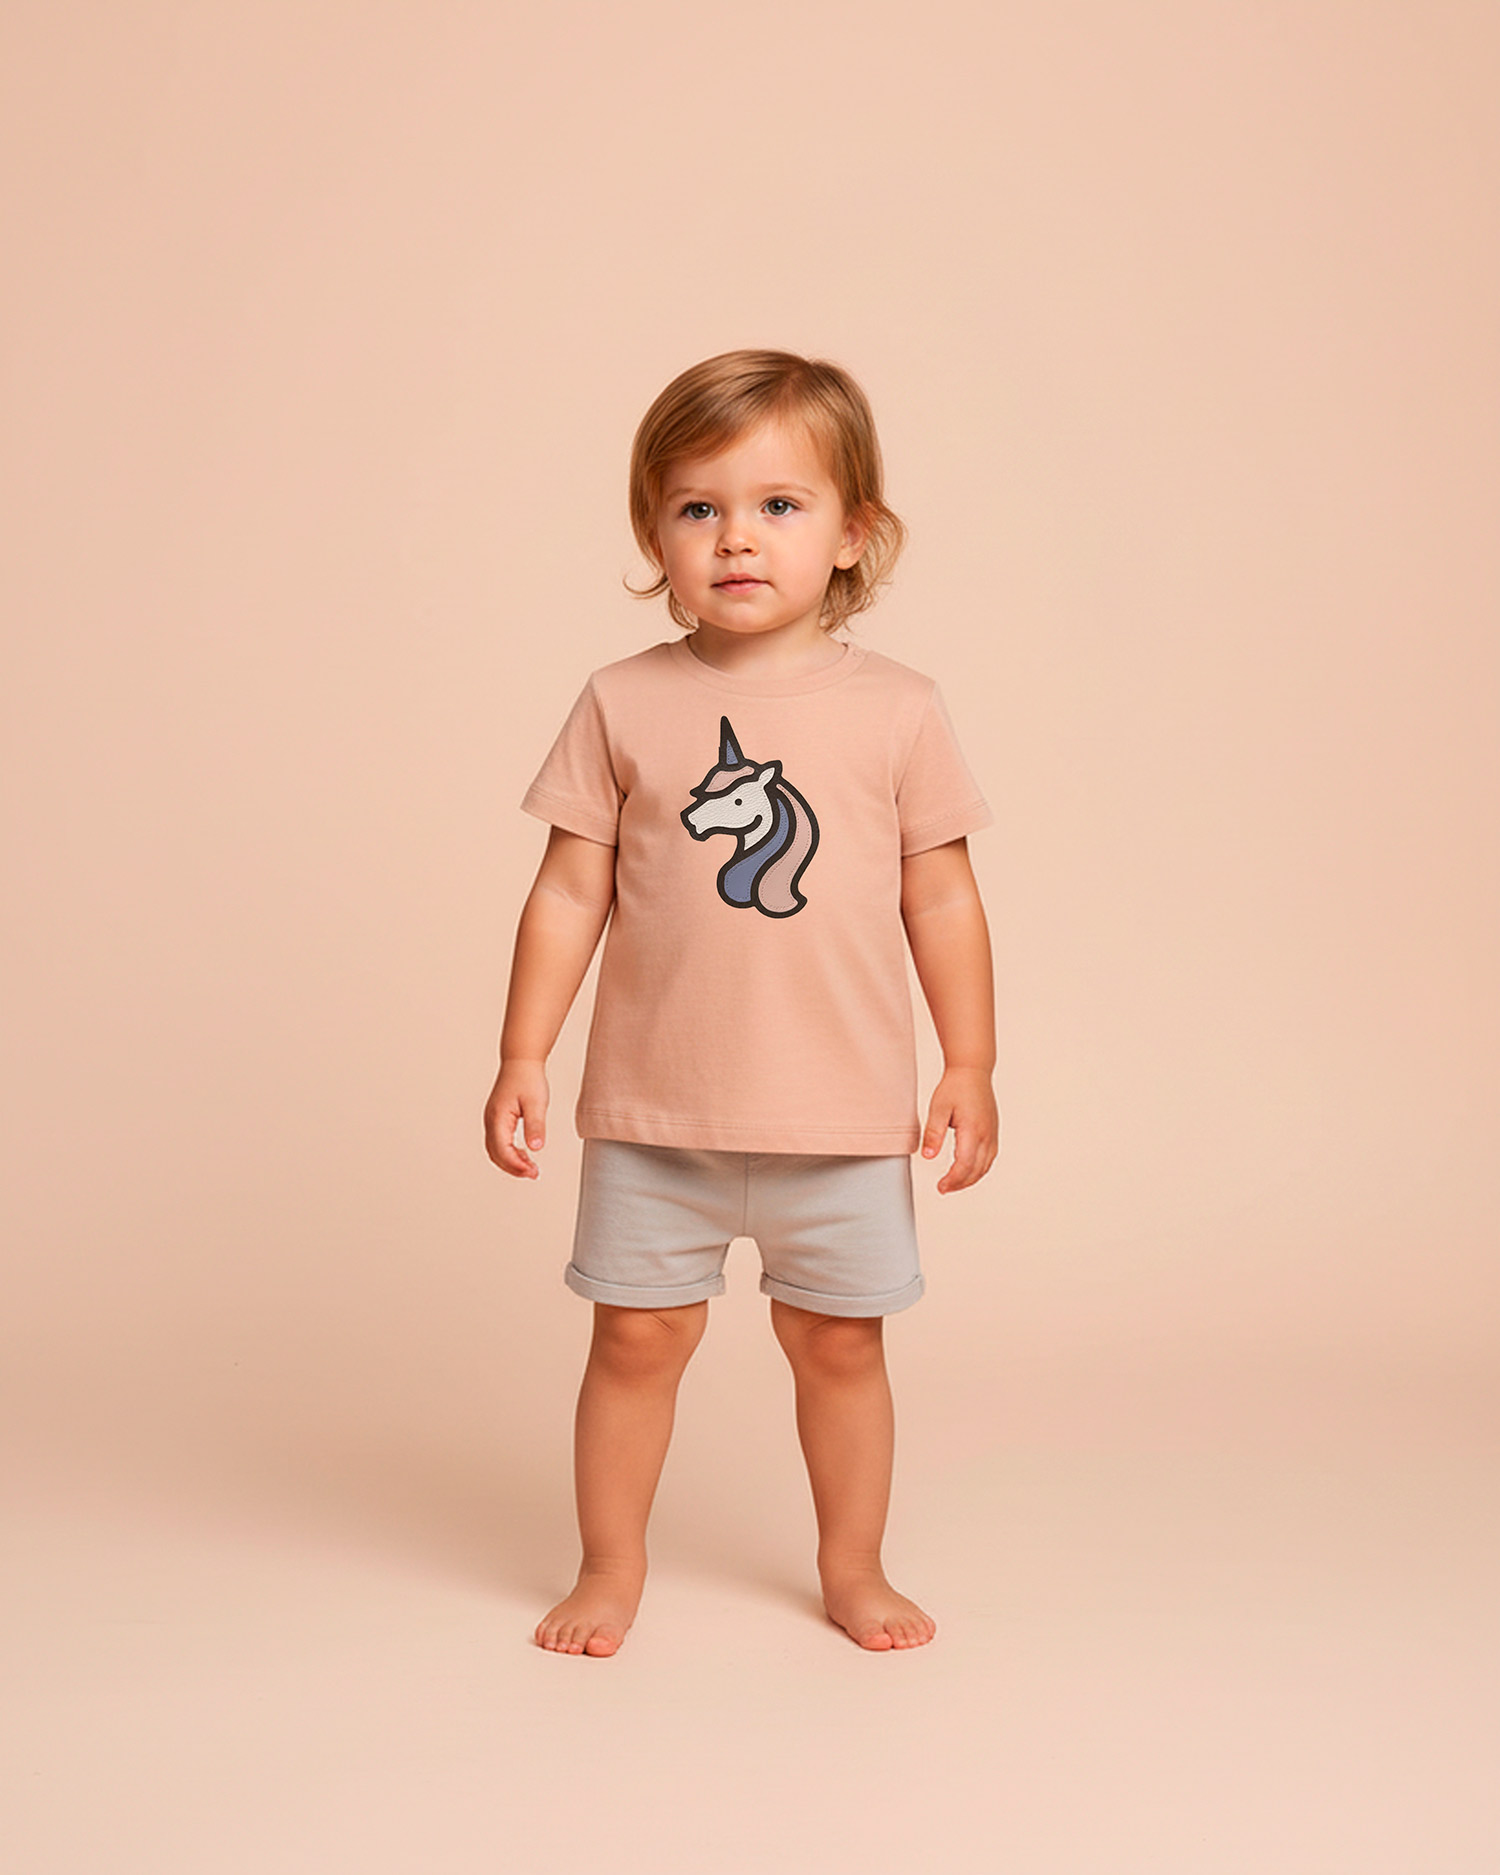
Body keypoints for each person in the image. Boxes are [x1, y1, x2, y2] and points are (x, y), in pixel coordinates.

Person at [484, 349, 999, 1656]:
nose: (736, 538)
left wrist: (971, 1064)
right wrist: (523, 1054)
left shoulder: (899, 711)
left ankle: (853, 1567)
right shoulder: (623, 701)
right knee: (635, 1342)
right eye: (698, 507)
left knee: (840, 1349)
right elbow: (568, 892)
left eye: (779, 505)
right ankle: (610, 1566)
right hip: (657, 1118)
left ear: (853, 534)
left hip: (841, 1119)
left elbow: (943, 900)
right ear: (655, 532)